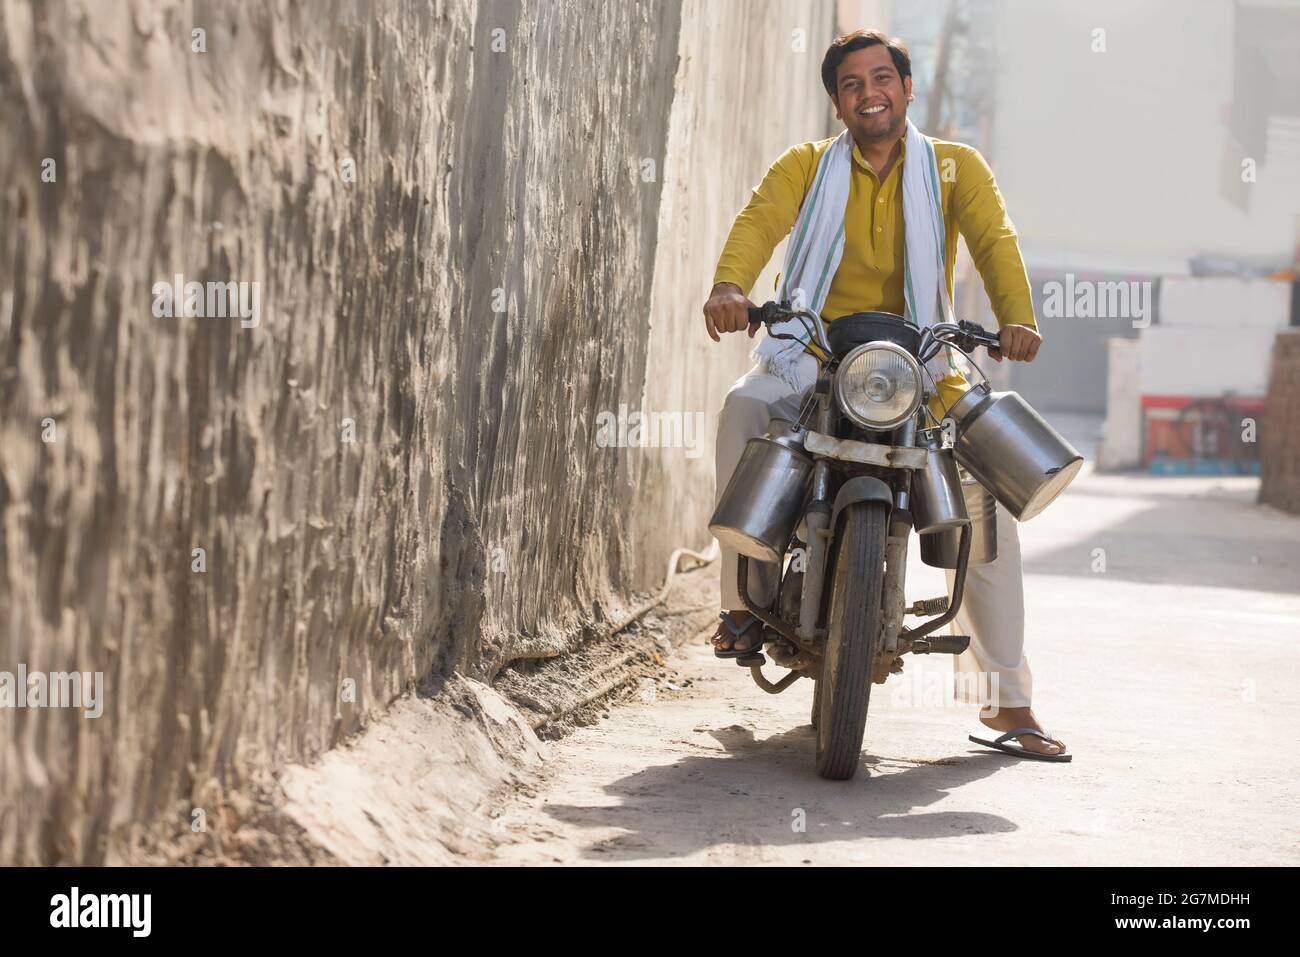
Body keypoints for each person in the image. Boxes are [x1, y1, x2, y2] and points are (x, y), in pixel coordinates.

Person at [702, 30, 1068, 760]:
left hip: (924, 357)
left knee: (984, 504)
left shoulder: (957, 169)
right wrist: (731, 285)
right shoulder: (806, 167)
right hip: (810, 348)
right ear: (837, 102)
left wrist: (1017, 316)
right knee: (745, 409)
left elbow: (995, 240)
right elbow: (758, 221)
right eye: (850, 83)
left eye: (881, 78)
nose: (868, 92)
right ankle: (741, 605)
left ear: (905, 85)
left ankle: (1009, 699)